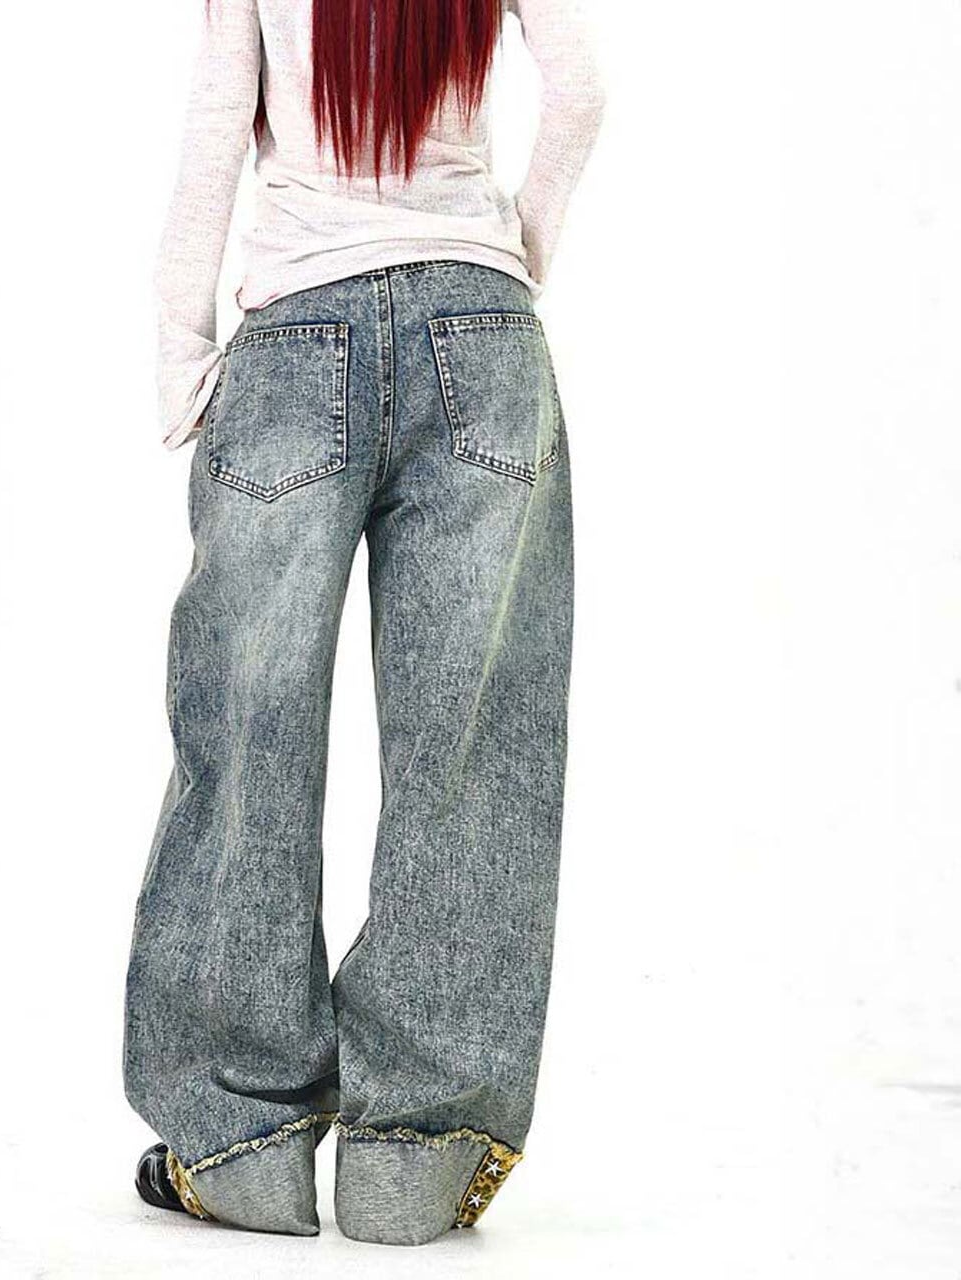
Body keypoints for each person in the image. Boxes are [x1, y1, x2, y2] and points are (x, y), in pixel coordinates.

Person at [123, 0, 606, 1247]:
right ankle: (416, 1160)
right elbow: (579, 92)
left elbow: (212, 136)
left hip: (295, 333)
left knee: (246, 732)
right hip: (485, 337)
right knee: (474, 740)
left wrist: (181, 357)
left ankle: (238, 1141)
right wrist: (504, 259)